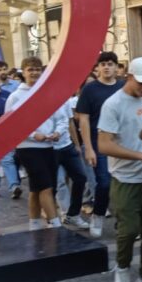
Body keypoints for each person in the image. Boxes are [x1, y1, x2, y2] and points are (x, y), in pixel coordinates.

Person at [97, 58, 142, 282]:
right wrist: (139, 156)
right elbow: (104, 144)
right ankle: (122, 269)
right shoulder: (113, 104)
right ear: (129, 77)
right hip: (124, 178)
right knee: (129, 229)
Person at [5, 58, 61, 230]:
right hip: (27, 147)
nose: (34, 73)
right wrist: (33, 134)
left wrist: (58, 132)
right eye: (30, 69)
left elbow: (59, 116)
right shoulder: (15, 96)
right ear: (23, 72)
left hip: (49, 146)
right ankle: (55, 223)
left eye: (37, 69)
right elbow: (11, 123)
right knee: (46, 186)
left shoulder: (48, 92)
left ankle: (34, 224)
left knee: (36, 188)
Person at [77, 51, 124, 237]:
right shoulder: (90, 89)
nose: (106, 67)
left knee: (122, 183)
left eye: (110, 63)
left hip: (120, 143)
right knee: (103, 184)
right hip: (99, 144)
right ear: (97, 67)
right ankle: (98, 215)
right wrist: (88, 148)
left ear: (116, 67)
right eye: (103, 64)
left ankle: (123, 221)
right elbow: (84, 120)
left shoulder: (122, 87)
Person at [52, 93, 90, 229]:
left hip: (67, 146)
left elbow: (70, 122)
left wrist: (77, 144)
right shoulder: (41, 100)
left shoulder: (65, 100)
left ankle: (74, 214)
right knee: (59, 182)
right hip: (50, 148)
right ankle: (63, 213)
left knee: (80, 178)